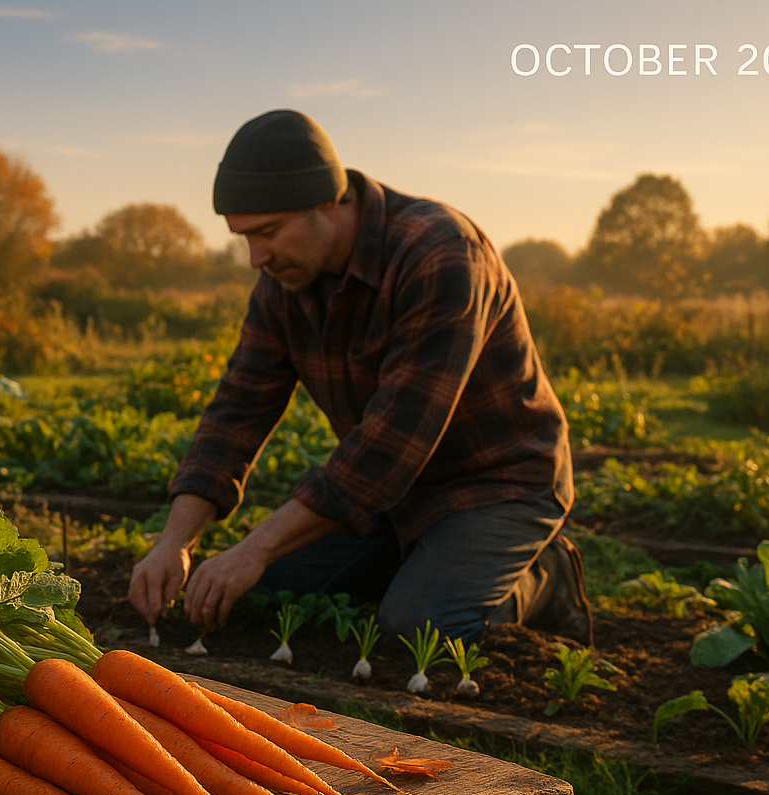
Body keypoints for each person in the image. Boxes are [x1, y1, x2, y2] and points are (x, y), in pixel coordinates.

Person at [128, 109, 590, 647]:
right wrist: (174, 543)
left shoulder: (439, 253)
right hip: (390, 500)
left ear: (328, 201)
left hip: (497, 485)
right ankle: (424, 564)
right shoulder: (284, 282)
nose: (256, 258)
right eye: (243, 239)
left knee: (421, 627)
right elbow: (237, 411)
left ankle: (543, 578)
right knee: (264, 594)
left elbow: (393, 442)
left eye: (268, 233)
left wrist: (255, 546)